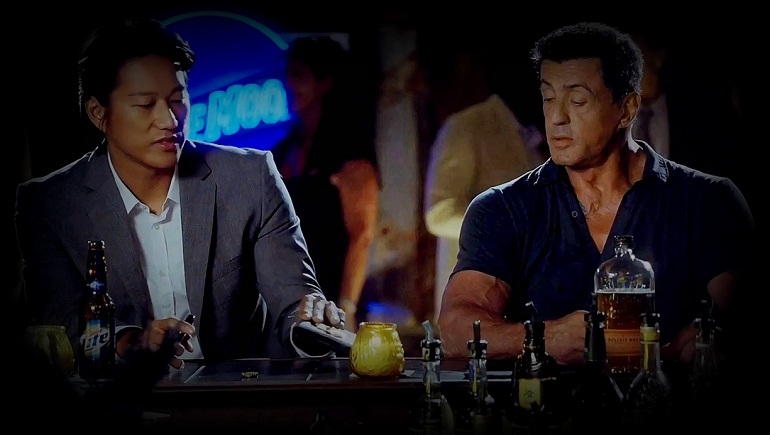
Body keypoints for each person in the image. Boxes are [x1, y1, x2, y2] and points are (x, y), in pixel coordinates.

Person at [14, 16, 346, 371]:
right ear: (99, 113)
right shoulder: (49, 204)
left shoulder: (250, 176)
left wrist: (310, 321)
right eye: (146, 105)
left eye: (177, 99)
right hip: (121, 393)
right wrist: (130, 341)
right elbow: (62, 319)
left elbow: (293, 296)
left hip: (240, 388)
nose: (169, 120)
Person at [437, 22, 755, 369]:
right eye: (548, 98)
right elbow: (454, 331)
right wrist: (544, 337)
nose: (556, 117)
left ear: (627, 109)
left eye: (577, 100)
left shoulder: (707, 201)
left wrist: (703, 341)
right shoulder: (502, 209)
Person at [422, 37, 546, 323]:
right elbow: (439, 213)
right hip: (474, 300)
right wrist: (509, 229)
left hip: (523, 300)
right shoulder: (467, 126)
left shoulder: (536, 132)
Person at [272, 36, 380, 331]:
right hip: (287, 301)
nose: (289, 85)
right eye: (287, 76)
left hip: (333, 301)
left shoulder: (350, 153)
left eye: (299, 76)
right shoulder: (283, 150)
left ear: (325, 83)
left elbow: (361, 235)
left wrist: (346, 306)